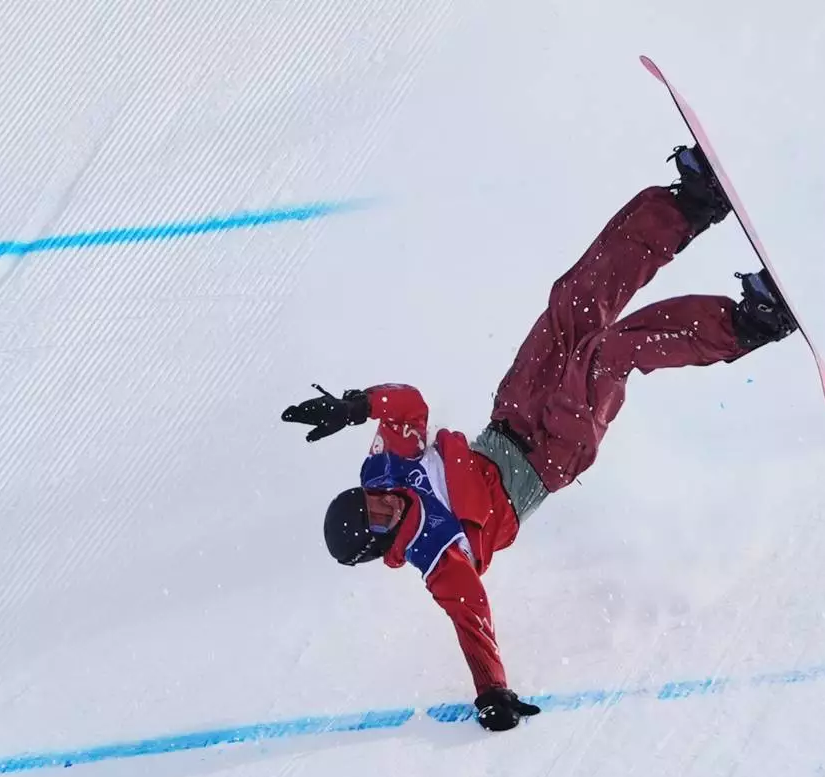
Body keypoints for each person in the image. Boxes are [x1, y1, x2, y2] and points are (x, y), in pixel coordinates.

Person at [281, 145, 797, 732]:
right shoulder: (435, 556)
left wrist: (356, 404)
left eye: (370, 499)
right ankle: (751, 323)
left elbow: (410, 405)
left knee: (572, 302)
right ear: (381, 544)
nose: (384, 502)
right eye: (378, 516)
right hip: (550, 454)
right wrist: (492, 691)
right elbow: (472, 621)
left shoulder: (387, 472)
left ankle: (690, 206)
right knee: (608, 353)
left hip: (511, 414)